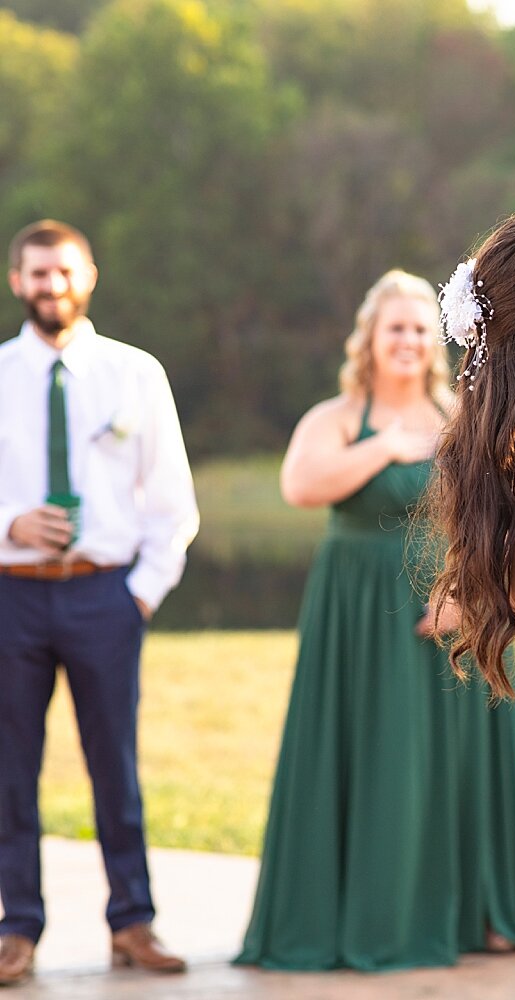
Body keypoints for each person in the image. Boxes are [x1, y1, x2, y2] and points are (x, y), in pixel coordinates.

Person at [234, 270, 515, 971]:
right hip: (360, 615)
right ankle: (372, 913)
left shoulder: (464, 415)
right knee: (381, 758)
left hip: (458, 609)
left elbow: (510, 513)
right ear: (370, 340)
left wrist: (474, 593)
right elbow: (300, 485)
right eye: (395, 328)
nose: (408, 340)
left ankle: (483, 912)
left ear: (434, 340)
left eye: (419, 327)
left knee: (462, 760)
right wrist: (383, 446)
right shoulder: (336, 416)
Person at [0, 220, 199, 985]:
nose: (52, 285)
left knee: (114, 765)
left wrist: (138, 597)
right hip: (14, 599)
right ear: (17, 281)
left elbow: (172, 503)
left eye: (64, 271)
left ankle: (133, 922)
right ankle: (16, 930)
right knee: (13, 770)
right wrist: (10, 523)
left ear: (89, 277)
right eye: (37, 273)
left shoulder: (135, 374)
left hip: (105, 598)